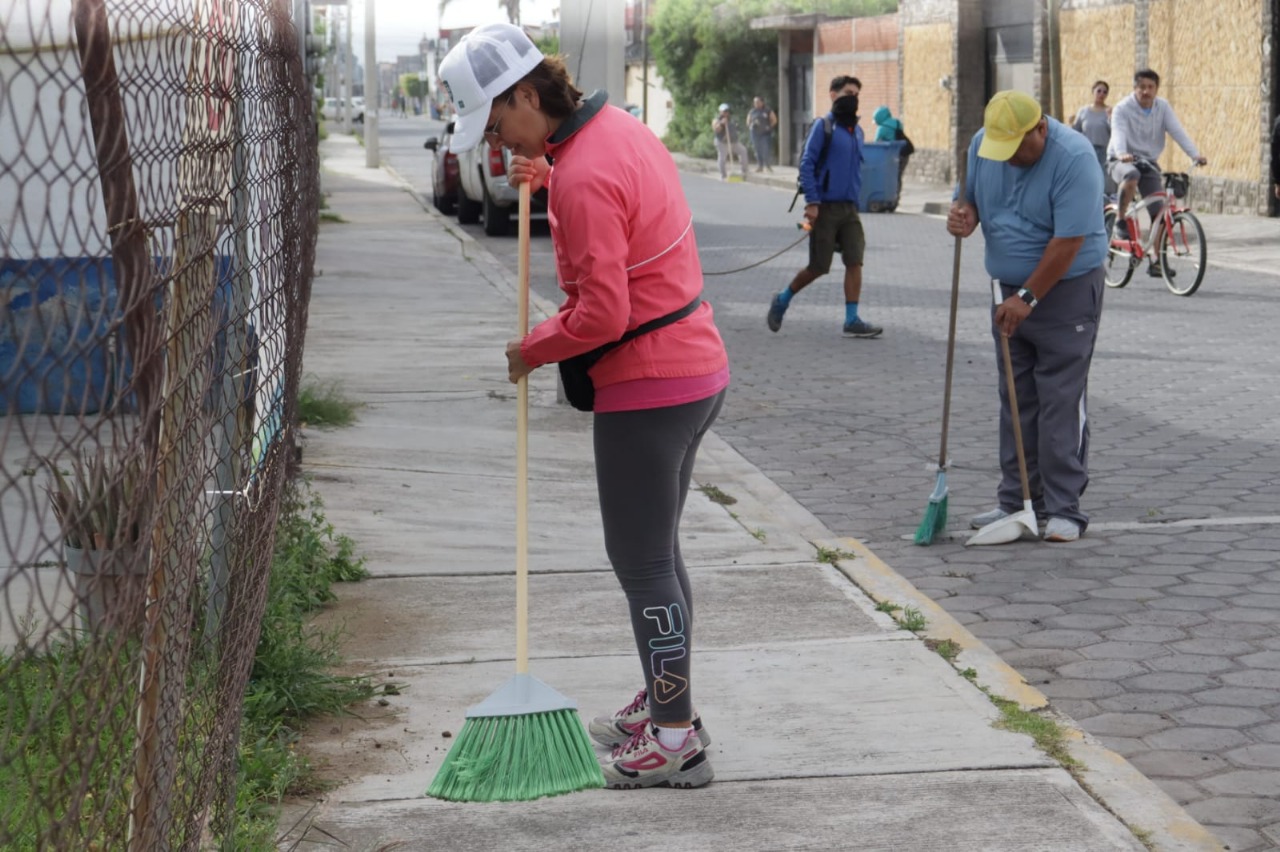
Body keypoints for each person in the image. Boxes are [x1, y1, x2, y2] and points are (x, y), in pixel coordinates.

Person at [440, 22, 728, 790]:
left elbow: (601, 314)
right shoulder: (616, 132)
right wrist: (549, 169)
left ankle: (674, 738)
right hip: (697, 372)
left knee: (641, 563)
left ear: (528, 96)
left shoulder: (584, 175)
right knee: (660, 555)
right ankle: (673, 703)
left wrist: (530, 349)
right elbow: (612, 209)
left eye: (499, 124)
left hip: (648, 386)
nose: (496, 143)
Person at [946, 90, 1108, 544]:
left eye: (1019, 148)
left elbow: (1068, 242)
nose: (1011, 158)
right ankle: (1017, 502)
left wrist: (1028, 298)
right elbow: (971, 201)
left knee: (1060, 396)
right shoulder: (984, 145)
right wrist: (963, 216)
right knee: (1015, 397)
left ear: (1040, 128)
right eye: (1003, 150)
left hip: (1066, 291)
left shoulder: (1074, 158)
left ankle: (1063, 508)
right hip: (1005, 291)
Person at [766, 75, 882, 339]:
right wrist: (813, 203)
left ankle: (851, 319)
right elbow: (807, 164)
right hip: (824, 208)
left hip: (849, 209)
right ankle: (782, 299)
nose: (852, 98)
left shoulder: (858, 132)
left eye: (856, 94)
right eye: (847, 93)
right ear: (832, 94)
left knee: (855, 260)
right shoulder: (823, 127)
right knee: (818, 266)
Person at [1107, 69, 1208, 277]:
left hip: (1149, 162)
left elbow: (1177, 131)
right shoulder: (1122, 108)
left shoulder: (1162, 107)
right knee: (1131, 174)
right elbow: (1118, 132)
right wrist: (1122, 152)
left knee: (1160, 213)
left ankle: (1157, 261)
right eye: (1142, 87)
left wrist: (1195, 155)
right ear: (1134, 88)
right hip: (1120, 160)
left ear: (1156, 89)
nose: (1146, 91)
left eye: (1150, 87)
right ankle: (1120, 220)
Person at [872, 105, 914, 208]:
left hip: (889, 157)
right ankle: (896, 198)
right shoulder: (897, 123)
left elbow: (876, 143)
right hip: (903, 154)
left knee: (887, 177)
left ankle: (887, 197)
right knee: (898, 177)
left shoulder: (882, 128)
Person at [1071, 80, 1111, 175]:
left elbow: (1114, 132)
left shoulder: (1109, 112)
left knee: (1102, 178)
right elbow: (1076, 131)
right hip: (1087, 150)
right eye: (1099, 91)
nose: (1101, 94)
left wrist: (1111, 118)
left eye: (1105, 92)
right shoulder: (1083, 111)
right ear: (1093, 91)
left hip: (1103, 151)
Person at [711, 103, 748, 180]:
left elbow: (736, 128)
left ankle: (744, 171)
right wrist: (721, 123)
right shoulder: (716, 120)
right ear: (720, 112)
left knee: (743, 151)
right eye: (724, 111)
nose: (726, 113)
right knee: (722, 157)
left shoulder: (732, 120)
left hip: (734, 142)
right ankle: (723, 175)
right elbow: (716, 129)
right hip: (722, 142)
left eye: (727, 111)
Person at [747, 96, 778, 172]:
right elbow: (748, 121)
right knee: (757, 150)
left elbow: (774, 120)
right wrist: (751, 125)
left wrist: (769, 127)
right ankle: (760, 166)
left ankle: (767, 166)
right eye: (755, 102)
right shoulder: (752, 111)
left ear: (762, 102)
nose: (756, 104)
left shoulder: (767, 110)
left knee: (766, 149)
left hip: (765, 133)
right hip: (755, 134)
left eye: (758, 102)